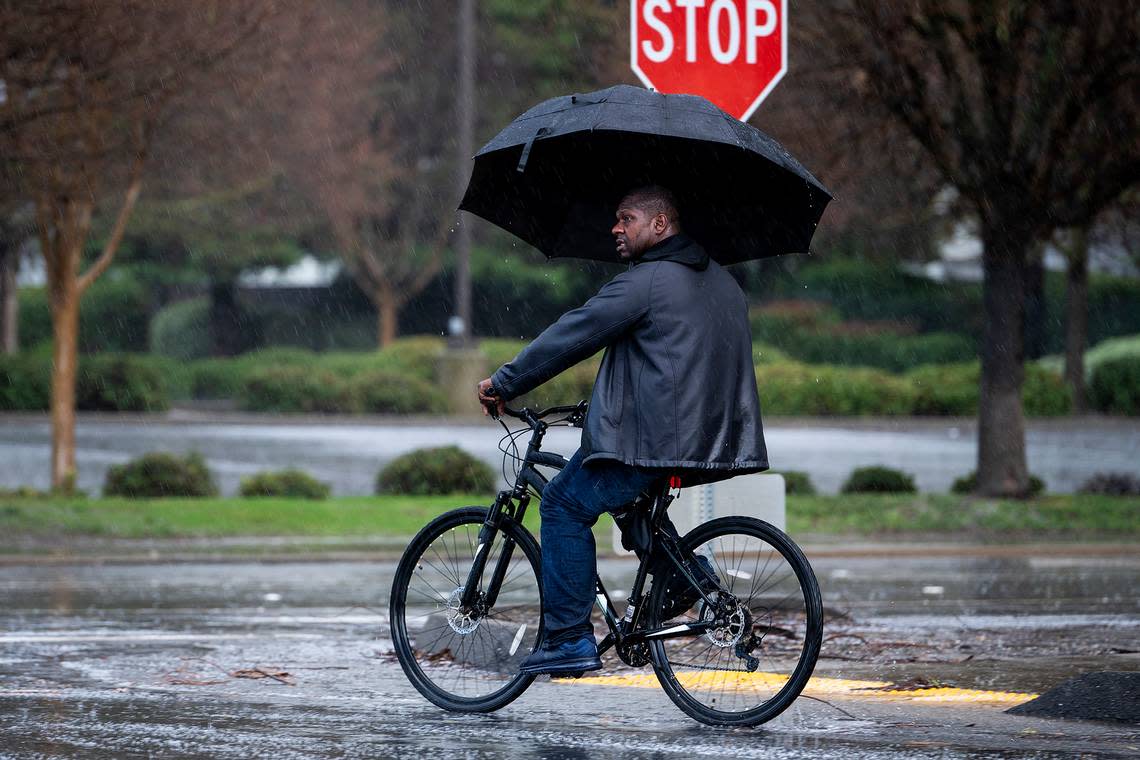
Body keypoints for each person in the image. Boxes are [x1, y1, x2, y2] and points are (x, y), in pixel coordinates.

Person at [477, 185, 767, 675]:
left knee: (563, 503)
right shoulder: (722, 283)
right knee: (627, 503)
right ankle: (683, 580)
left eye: (625, 218)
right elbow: (672, 362)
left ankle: (568, 639)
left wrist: (507, 381)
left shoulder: (649, 281)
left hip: (654, 439)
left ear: (660, 225)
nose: (615, 228)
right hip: (706, 438)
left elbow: (576, 332)